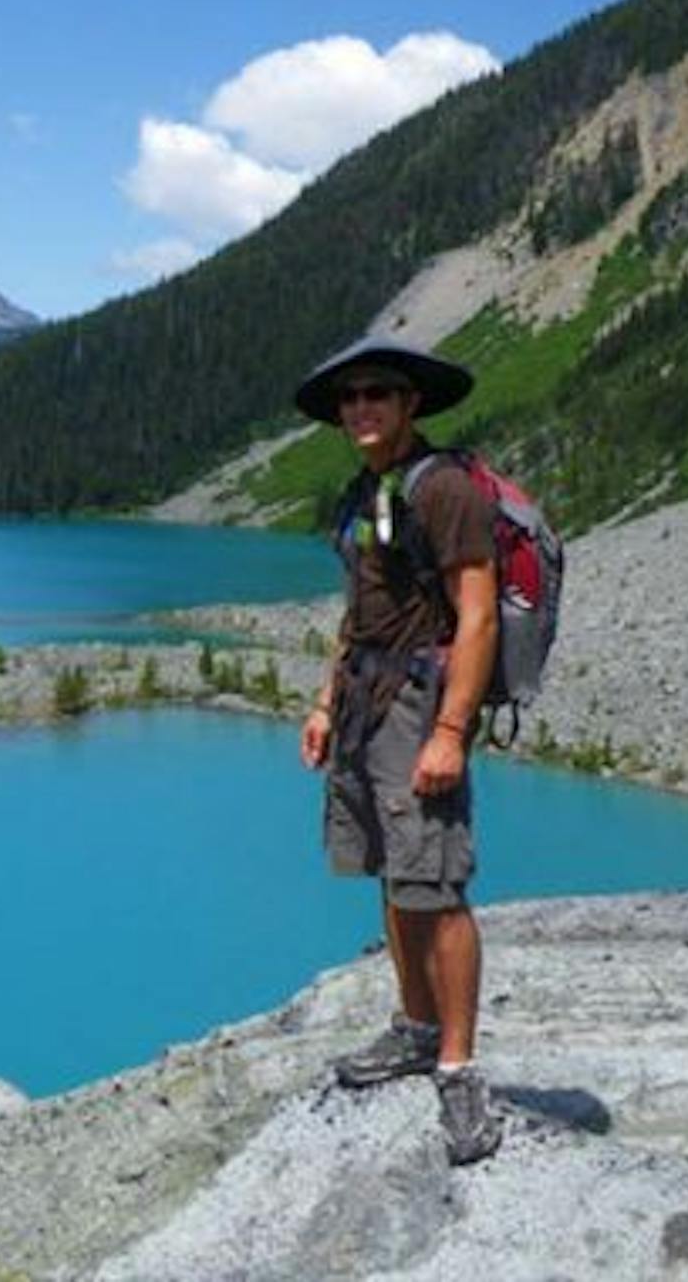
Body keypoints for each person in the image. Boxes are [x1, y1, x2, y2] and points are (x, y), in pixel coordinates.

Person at [294, 334, 503, 1166]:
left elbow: (478, 616)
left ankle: (458, 1065)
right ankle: (414, 1027)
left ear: (412, 403)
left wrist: (450, 732)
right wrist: (322, 700)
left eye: (378, 393)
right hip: (362, 704)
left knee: (436, 883)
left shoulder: (443, 488)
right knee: (393, 871)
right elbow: (358, 614)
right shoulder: (365, 489)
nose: (361, 409)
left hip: (420, 706)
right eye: (348, 398)